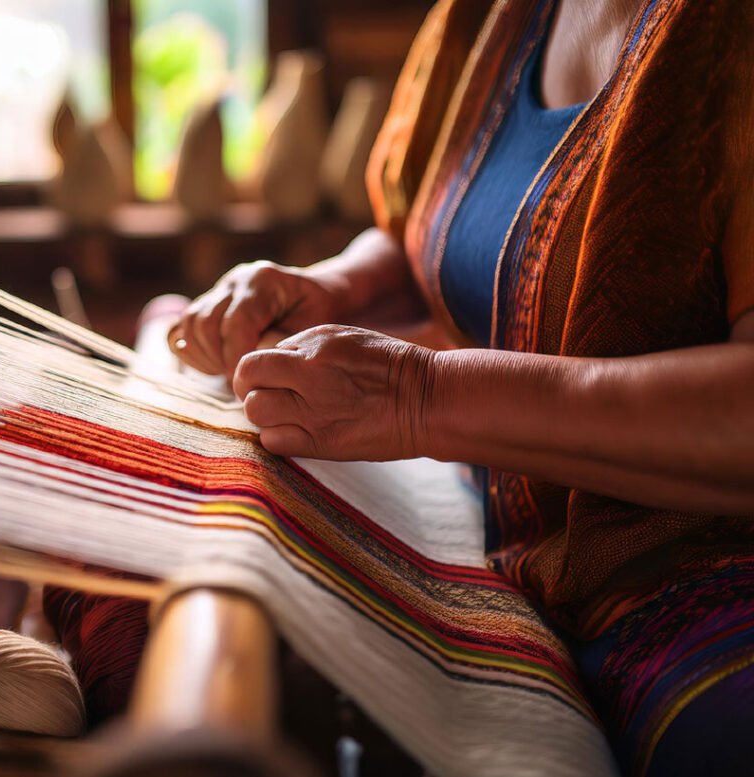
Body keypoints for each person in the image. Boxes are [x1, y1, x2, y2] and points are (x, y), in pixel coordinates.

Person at [167, 0, 754, 775]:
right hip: (515, 558)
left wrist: (424, 395)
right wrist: (333, 290)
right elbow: (425, 229)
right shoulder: (491, 16)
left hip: (707, 590)